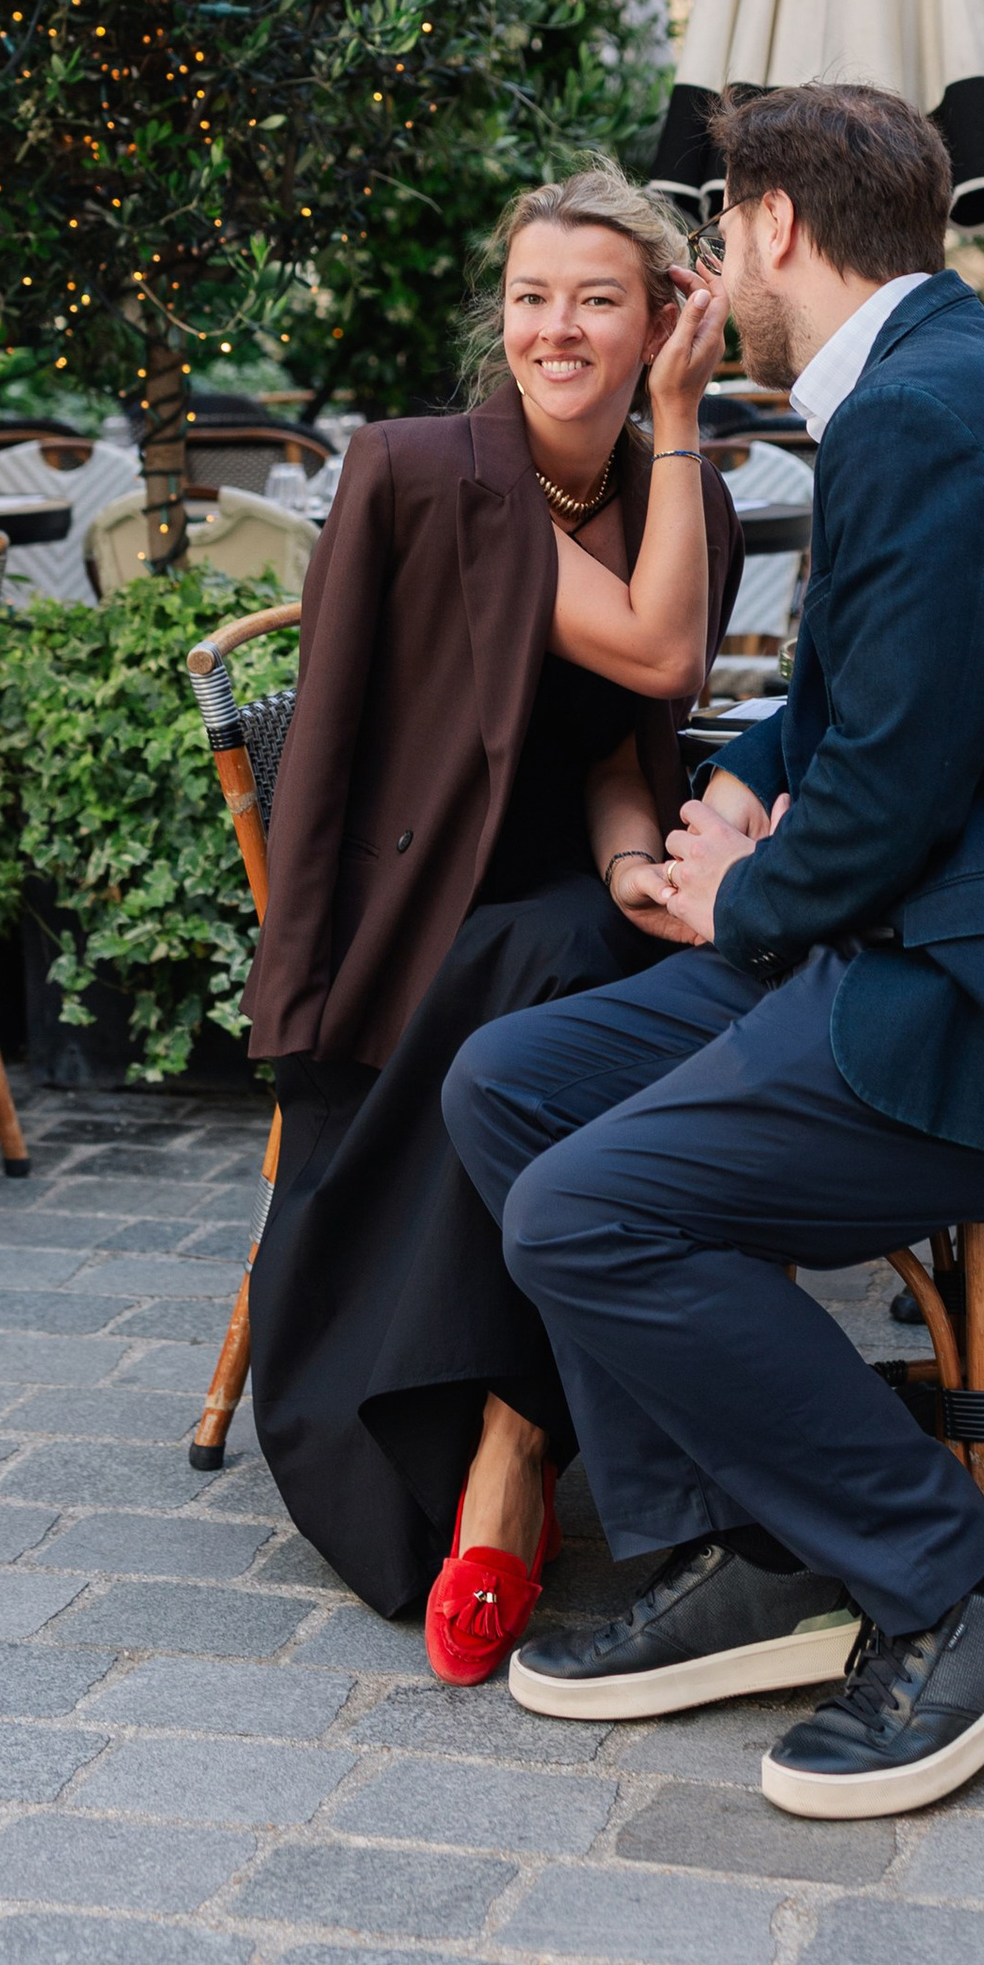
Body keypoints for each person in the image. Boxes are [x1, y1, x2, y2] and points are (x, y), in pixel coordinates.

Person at [443, 82, 984, 1819]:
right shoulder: (933, 377)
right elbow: (855, 700)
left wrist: (735, 900)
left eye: (720, 230)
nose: (716, 267)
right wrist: (744, 783)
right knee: (511, 1083)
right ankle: (745, 1552)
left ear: (774, 225)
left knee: (583, 1211)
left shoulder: (922, 412)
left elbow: (891, 792)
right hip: (950, 942)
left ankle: (965, 1586)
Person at [241, 164, 739, 1674]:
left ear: (662, 316)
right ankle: (507, 1443)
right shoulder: (425, 471)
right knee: (560, 967)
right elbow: (655, 654)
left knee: (621, 951)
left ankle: (517, 1435)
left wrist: (634, 860)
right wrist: (687, 414)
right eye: (531, 297)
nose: (555, 328)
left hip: (555, 897)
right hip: (411, 914)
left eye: (596, 298)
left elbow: (617, 746)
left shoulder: (683, 500)